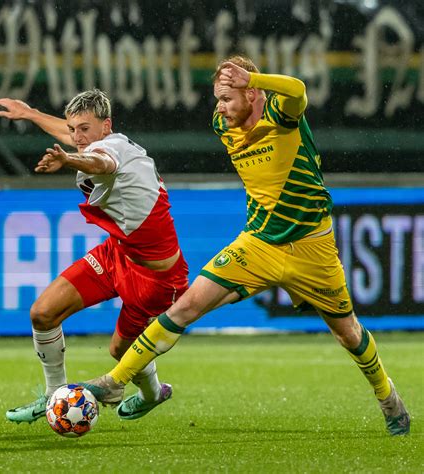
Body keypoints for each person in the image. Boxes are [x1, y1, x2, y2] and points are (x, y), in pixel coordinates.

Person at [79, 56, 411, 436]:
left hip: (312, 248)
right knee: (186, 305)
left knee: (348, 333)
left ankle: (388, 398)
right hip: (257, 245)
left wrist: (252, 76)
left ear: (253, 93)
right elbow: (245, 125)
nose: (218, 107)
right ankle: (115, 381)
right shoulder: (224, 124)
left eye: (226, 97)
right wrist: (237, 87)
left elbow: (298, 90)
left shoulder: (282, 116)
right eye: (217, 98)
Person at [0, 89, 189, 423]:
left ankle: (153, 393)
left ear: (106, 125)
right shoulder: (98, 140)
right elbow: (75, 138)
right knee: (42, 313)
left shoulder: (110, 150)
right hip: (118, 254)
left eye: (84, 128)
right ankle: (53, 395)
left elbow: (101, 163)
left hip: (155, 277)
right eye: (73, 130)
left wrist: (68, 159)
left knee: (119, 351)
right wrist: (30, 113)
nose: (76, 137)